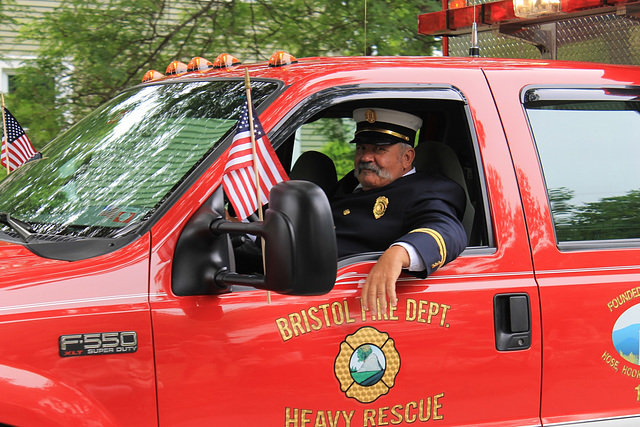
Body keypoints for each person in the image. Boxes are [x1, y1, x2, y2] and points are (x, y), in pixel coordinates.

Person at [330, 108, 467, 316]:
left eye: (379, 149)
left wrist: (397, 254)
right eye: (361, 148)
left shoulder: (426, 190)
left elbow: (447, 231)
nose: (366, 157)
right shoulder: (348, 184)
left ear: (407, 158)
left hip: (356, 304)